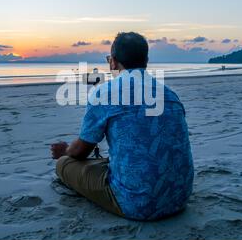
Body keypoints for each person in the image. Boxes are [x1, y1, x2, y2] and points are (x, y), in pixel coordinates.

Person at [50, 32, 194, 221]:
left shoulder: (106, 92)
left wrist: (65, 151)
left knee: (64, 164)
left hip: (138, 204)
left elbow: (81, 151)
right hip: (179, 196)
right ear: (146, 61)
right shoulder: (170, 94)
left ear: (113, 62)